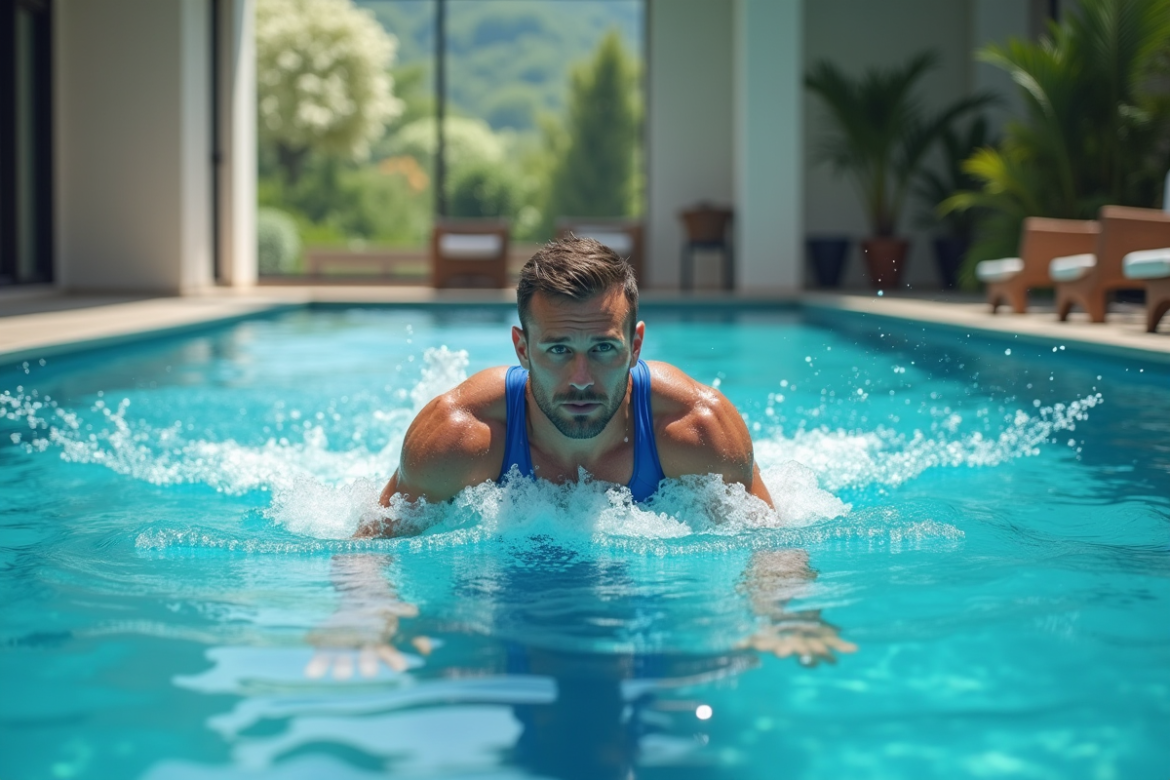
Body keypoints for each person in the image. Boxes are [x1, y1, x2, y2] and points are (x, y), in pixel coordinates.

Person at [358, 237, 772, 538]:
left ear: (636, 346)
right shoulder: (457, 437)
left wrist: (791, 621)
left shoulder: (697, 428)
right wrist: (361, 618)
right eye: (558, 349)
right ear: (522, 348)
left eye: (603, 348)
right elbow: (372, 550)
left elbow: (772, 554)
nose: (581, 378)